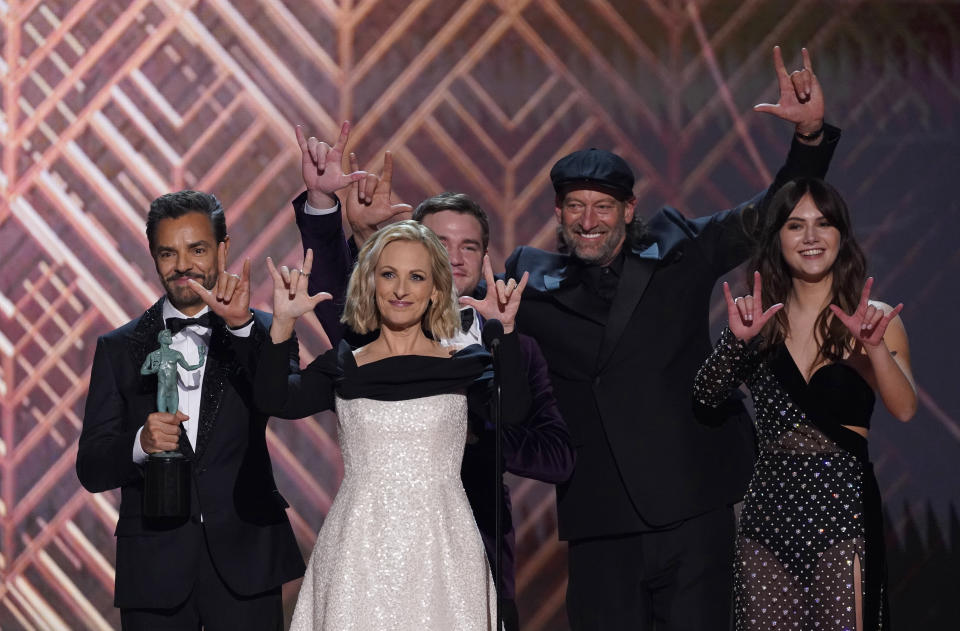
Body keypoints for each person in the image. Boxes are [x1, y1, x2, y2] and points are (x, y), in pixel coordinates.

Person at [501, 47, 839, 629]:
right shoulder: (525, 281)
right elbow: (429, 290)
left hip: (693, 502)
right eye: (575, 207)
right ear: (558, 212)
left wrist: (808, 142)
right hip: (601, 514)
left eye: (603, 207)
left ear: (630, 210)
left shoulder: (679, 247)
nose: (588, 221)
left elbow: (766, 215)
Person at [292, 125, 575, 630]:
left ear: (486, 257)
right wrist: (327, 210)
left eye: (469, 246)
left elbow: (557, 454)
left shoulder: (511, 345)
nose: (455, 255)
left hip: (475, 550)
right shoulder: (375, 333)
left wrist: (469, 424)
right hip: (373, 561)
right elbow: (339, 296)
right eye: (440, 242)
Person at [246, 221, 532, 629]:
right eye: (388, 275)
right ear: (371, 283)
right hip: (358, 552)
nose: (401, 290)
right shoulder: (343, 365)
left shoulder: (465, 364)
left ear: (435, 289)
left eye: (416, 277)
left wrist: (505, 330)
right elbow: (274, 401)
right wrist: (282, 326)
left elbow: (515, 411)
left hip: (444, 550)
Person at [76, 191, 305, 630]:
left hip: (247, 558)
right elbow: (91, 468)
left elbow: (279, 397)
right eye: (168, 253)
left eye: (197, 249)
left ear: (223, 249)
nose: (182, 265)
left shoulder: (265, 332)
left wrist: (239, 329)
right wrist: (139, 445)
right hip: (154, 568)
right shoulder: (119, 349)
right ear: (153, 256)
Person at [694, 177, 916, 629]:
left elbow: (905, 408)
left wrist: (874, 348)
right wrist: (736, 345)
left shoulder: (874, 317)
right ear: (777, 238)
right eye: (796, 226)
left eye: (824, 223)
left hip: (843, 514)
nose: (811, 237)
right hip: (767, 520)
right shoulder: (757, 320)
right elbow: (705, 396)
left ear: (841, 235)